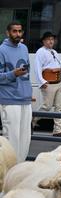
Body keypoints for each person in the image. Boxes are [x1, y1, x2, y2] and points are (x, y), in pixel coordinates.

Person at [0, 21, 32, 162]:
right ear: (8, 33)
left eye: (20, 31)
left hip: (25, 98)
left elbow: (27, 74)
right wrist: (13, 74)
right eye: (14, 31)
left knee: (25, 139)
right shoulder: (1, 50)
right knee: (12, 139)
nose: (18, 34)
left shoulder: (24, 48)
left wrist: (29, 92)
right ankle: (8, 173)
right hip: (8, 99)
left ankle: (19, 172)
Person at [33, 31, 61, 137]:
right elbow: (37, 68)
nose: (51, 41)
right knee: (47, 106)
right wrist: (42, 82)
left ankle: (57, 129)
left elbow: (60, 69)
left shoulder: (54, 52)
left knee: (60, 106)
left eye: (52, 39)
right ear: (44, 41)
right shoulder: (40, 52)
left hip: (58, 82)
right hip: (48, 82)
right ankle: (32, 120)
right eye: (48, 39)